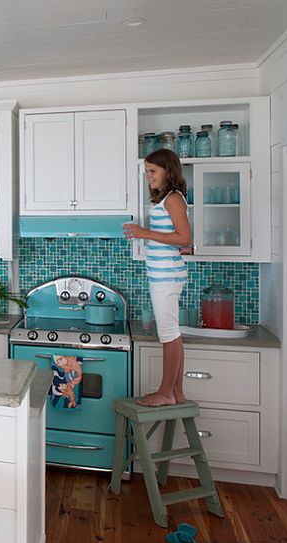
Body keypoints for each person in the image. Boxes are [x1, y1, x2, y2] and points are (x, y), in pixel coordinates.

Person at [123, 149, 192, 407]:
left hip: (167, 276)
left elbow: (185, 238)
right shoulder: (168, 199)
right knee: (172, 334)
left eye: (152, 171)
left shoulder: (173, 199)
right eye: (146, 172)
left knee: (168, 334)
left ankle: (165, 393)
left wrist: (144, 233)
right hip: (164, 275)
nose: (148, 176)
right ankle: (176, 391)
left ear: (168, 170)